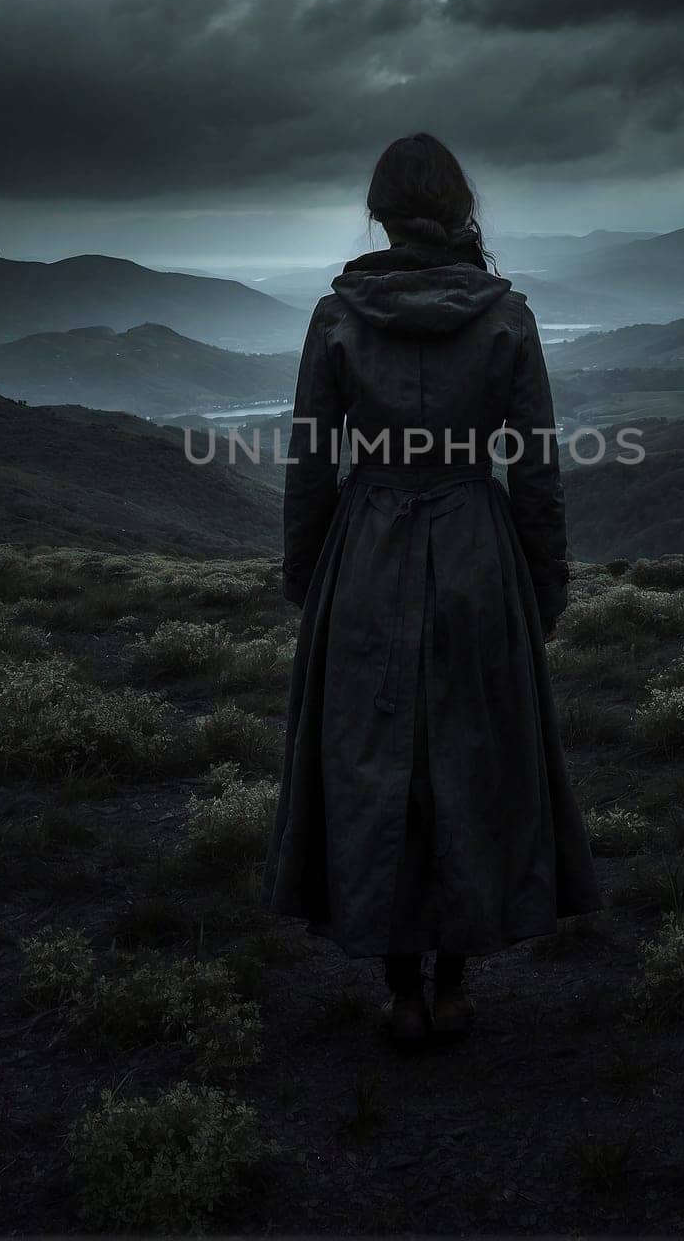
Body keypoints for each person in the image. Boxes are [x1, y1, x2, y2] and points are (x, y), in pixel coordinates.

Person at [260, 132, 603, 1045]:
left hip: (365, 550)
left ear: (378, 211)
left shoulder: (337, 316)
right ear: (460, 210)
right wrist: (545, 586)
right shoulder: (506, 317)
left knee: (374, 762)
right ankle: (453, 984)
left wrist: (307, 578)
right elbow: (534, 470)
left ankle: (400, 992)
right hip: (474, 554)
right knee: (469, 756)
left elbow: (309, 464)